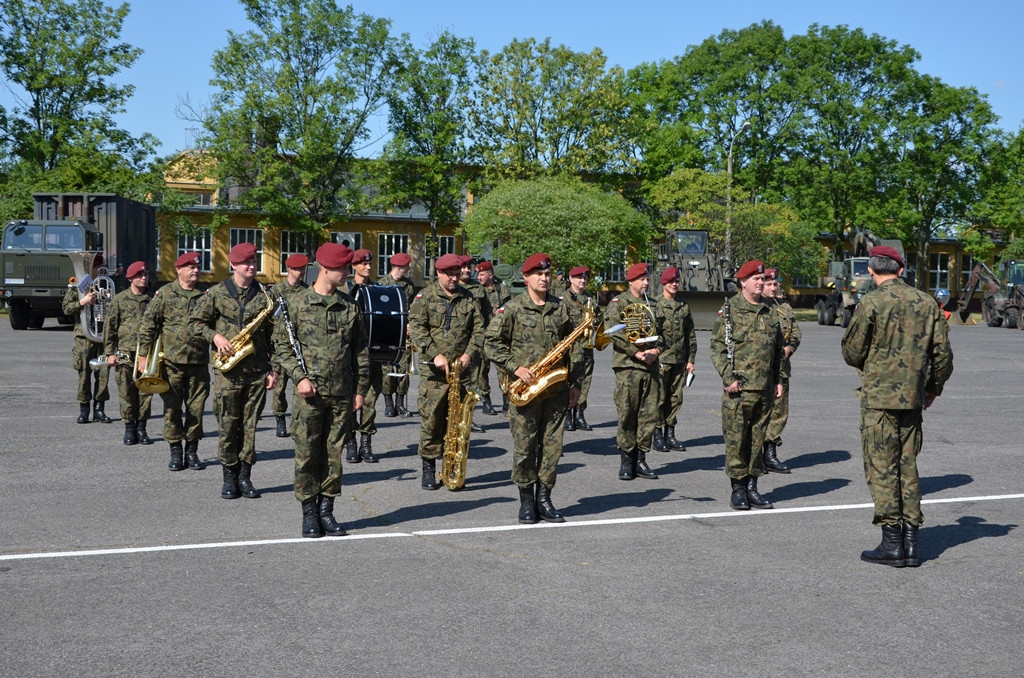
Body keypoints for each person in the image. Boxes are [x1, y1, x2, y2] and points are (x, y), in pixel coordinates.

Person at [841, 245, 953, 567]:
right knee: (908, 467)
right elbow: (943, 357)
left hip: (878, 400)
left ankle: (892, 543)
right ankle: (912, 544)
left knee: (881, 468)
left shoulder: (872, 302)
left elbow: (851, 353)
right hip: (913, 400)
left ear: (872, 272)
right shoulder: (927, 303)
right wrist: (932, 389)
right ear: (901, 270)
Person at [273, 242, 369, 538]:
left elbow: (360, 352)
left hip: (342, 392)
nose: (347, 274)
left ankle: (327, 511)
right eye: (343, 269)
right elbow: (283, 347)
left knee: (334, 455)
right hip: (309, 395)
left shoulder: (349, 305)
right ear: (325, 269)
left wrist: (360, 390)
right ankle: (309, 514)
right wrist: (299, 377)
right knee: (306, 455)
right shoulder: (298, 304)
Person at [486, 253, 582, 523]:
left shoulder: (561, 307)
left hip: (556, 391)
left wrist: (575, 384)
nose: (544, 278)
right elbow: (491, 343)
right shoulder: (512, 308)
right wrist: (515, 367)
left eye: (547, 274)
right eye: (538, 274)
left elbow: (574, 348)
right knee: (525, 448)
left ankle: (545, 499)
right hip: (525, 391)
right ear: (526, 278)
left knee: (553, 448)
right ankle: (526, 501)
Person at [190, 242, 278, 500]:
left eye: (253, 263)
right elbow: (196, 323)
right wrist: (215, 337)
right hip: (228, 372)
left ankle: (245, 477)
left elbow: (273, 337)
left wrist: (273, 369)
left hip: (257, 370)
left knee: (249, 427)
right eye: (245, 263)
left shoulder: (265, 296)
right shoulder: (216, 293)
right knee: (228, 425)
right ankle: (228, 477)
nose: (250, 267)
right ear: (233, 265)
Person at [710, 260, 784, 511]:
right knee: (737, 441)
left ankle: (753, 487)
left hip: (764, 388)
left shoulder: (770, 312)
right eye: (756, 279)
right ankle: (738, 489)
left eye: (763, 279)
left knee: (757, 440)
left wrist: (778, 381)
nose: (761, 283)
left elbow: (777, 353)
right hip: (739, 389)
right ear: (743, 282)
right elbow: (718, 348)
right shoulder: (730, 309)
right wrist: (728, 377)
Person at [407, 252, 485, 490]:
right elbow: (417, 330)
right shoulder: (425, 296)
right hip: (434, 374)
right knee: (432, 420)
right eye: (449, 274)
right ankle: (429, 467)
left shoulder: (468, 297)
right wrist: (434, 354)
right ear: (439, 273)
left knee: (458, 423)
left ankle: (452, 467)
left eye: (456, 273)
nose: (454, 278)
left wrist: (468, 354)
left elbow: (480, 330)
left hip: (461, 372)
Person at [137, 252, 210, 472]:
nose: (195, 271)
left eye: (197, 267)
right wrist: (143, 356)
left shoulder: (206, 295)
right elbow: (148, 325)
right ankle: (176, 451)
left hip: (198, 363)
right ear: (178, 270)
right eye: (190, 267)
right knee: (172, 409)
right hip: (172, 363)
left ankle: (192, 451)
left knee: (196, 410)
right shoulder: (165, 294)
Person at [604, 262, 666, 481]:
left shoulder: (655, 304)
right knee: (627, 413)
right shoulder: (619, 303)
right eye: (642, 280)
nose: (646, 283)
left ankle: (641, 459)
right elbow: (612, 331)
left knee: (649, 414)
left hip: (651, 366)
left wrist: (657, 350)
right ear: (631, 281)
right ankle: (626, 460)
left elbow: (666, 334)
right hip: (628, 366)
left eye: (647, 279)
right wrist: (635, 352)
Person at [102, 261, 154, 445]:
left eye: (145, 274)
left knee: (145, 392)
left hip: (147, 353)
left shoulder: (152, 299)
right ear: (131, 278)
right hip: (125, 352)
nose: (144, 278)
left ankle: (142, 428)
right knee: (126, 392)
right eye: (140, 275)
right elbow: (111, 327)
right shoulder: (120, 299)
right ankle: (129, 429)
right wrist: (110, 352)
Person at [61, 253, 113, 424]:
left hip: (103, 335)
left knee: (103, 374)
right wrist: (83, 302)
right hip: (84, 335)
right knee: (84, 374)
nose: (98, 271)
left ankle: (99, 409)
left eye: (98, 267)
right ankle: (84, 409)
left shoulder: (106, 284)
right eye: (95, 268)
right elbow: (66, 309)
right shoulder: (77, 286)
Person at [761, 268, 801, 474]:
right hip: (758, 370)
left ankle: (770, 454)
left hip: (781, 369)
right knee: (758, 412)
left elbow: (795, 332)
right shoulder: (755, 307)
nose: (773, 287)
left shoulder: (784, 307)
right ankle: (755, 455)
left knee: (778, 412)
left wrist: (789, 348)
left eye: (775, 284)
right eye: (769, 284)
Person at [654, 266, 696, 452]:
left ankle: (669, 434)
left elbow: (690, 335)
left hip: (679, 360)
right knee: (659, 398)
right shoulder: (654, 305)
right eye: (671, 281)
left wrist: (691, 359)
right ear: (664, 283)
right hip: (660, 360)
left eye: (677, 281)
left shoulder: (683, 306)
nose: (674, 284)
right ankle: (657, 434)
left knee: (675, 398)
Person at [345, 248, 381, 463]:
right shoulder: (345, 289)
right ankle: (350, 443)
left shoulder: (376, 289)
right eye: (363, 264)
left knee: (370, 402)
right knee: (350, 401)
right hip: (350, 355)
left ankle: (366, 444)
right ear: (354, 266)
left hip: (372, 354)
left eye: (369, 264)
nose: (368, 267)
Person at [268, 253, 309, 439]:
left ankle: (298, 421)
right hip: (278, 344)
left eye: (303, 269)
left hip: (299, 345)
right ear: (289, 269)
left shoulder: (307, 291)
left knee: (301, 384)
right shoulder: (275, 291)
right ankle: (279, 418)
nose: (301, 273)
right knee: (279, 386)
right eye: (298, 269)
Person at [378, 251, 416, 417]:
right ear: (397, 266)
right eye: (406, 266)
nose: (408, 269)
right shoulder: (381, 284)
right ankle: (388, 404)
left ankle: (400, 403)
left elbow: (413, 309)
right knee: (386, 368)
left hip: (404, 333)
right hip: (387, 331)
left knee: (404, 367)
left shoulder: (409, 286)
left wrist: (410, 325)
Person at [563, 265, 599, 431]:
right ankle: (568, 414)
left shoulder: (590, 299)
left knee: (585, 381)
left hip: (586, 346)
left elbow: (600, 318)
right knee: (568, 380)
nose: (583, 281)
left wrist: (596, 324)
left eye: (585, 278)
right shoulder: (564, 299)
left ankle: (579, 414)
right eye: (579, 278)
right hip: (569, 347)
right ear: (571, 279)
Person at [457, 254, 490, 432]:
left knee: (473, 382)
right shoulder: (454, 288)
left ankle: (468, 419)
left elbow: (487, 316)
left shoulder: (479, 290)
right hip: (456, 343)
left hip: (475, 342)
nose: (467, 270)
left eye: (469, 267)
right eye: (463, 267)